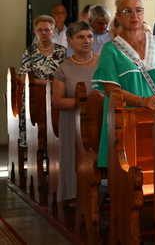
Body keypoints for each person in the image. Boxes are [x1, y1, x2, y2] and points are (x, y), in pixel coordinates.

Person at [92, 0, 155, 168]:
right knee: (129, 171)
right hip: (124, 119)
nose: (134, 15)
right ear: (118, 16)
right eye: (127, 11)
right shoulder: (111, 49)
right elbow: (111, 89)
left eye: (138, 10)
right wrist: (143, 101)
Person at [52, 21, 98, 202]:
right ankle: (72, 194)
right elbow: (57, 100)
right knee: (73, 157)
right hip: (72, 119)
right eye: (80, 37)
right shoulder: (63, 67)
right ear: (70, 41)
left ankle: (100, 194)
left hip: (99, 119)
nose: (86, 41)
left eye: (89, 36)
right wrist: (83, 103)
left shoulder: (103, 62)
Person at [18, 15, 67, 146]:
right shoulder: (29, 52)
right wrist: (46, 83)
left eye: (47, 29)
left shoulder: (62, 51)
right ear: (35, 32)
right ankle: (34, 147)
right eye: (40, 30)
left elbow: (68, 75)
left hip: (57, 93)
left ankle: (60, 147)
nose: (44, 33)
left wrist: (55, 85)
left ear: (53, 31)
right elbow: (23, 77)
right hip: (34, 95)